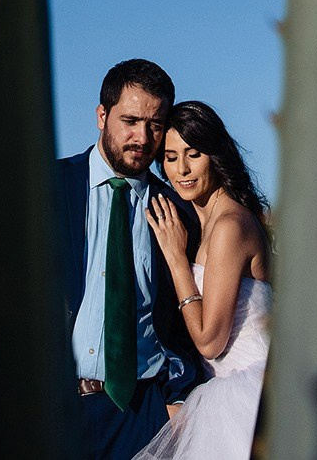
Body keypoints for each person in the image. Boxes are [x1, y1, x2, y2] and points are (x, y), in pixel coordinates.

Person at [57, 60, 205, 460]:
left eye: (155, 124)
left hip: (145, 413)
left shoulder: (179, 210)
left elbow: (190, 309)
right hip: (54, 406)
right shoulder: (48, 187)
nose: (143, 137)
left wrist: (178, 397)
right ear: (101, 116)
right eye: (130, 120)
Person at [134, 100, 271, 460]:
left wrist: (177, 261)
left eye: (193, 154)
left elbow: (210, 342)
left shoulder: (229, 226)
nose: (182, 169)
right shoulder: (206, 223)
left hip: (246, 397)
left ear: (215, 154)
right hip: (221, 389)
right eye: (170, 156)